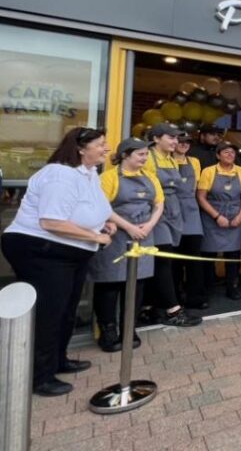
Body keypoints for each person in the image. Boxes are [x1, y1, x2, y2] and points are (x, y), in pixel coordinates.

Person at [1, 127, 114, 396]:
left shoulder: (88, 174)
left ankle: (58, 360)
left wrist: (102, 224)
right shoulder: (60, 175)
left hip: (71, 253)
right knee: (49, 313)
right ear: (80, 149)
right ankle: (39, 377)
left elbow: (86, 210)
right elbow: (51, 222)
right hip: (43, 251)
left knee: (66, 309)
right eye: (100, 144)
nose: (107, 148)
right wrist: (95, 236)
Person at [92, 138, 162, 352]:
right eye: (140, 154)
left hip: (143, 236)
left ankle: (129, 329)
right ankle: (108, 331)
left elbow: (159, 204)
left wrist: (149, 225)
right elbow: (103, 207)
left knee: (137, 285)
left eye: (146, 154)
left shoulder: (150, 177)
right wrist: (129, 227)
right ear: (125, 155)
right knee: (109, 285)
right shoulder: (108, 178)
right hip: (116, 236)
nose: (144, 158)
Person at [141, 123, 202, 327]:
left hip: (173, 211)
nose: (176, 141)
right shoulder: (148, 157)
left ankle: (150, 306)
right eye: (171, 137)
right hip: (156, 211)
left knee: (163, 260)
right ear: (156, 138)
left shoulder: (170, 158)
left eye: (177, 138)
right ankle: (172, 311)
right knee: (163, 260)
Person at [196, 141, 241, 300]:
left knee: (233, 254)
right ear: (218, 155)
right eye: (226, 152)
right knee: (208, 253)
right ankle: (209, 287)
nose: (230, 155)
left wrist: (240, 216)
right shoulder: (208, 171)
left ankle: (232, 287)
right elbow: (201, 197)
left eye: (232, 152)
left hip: (234, 214)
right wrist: (217, 216)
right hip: (212, 215)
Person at [172, 133, 206, 309]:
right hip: (172, 209)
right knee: (174, 260)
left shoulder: (195, 162)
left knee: (194, 258)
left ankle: (195, 297)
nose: (184, 144)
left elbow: (195, 186)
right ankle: (175, 298)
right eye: (181, 141)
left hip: (191, 211)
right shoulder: (167, 161)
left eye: (187, 142)